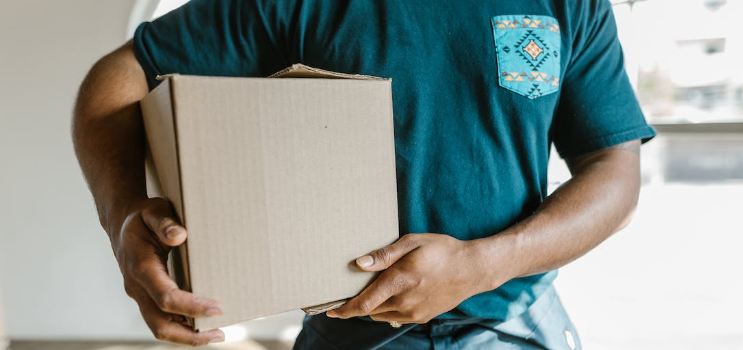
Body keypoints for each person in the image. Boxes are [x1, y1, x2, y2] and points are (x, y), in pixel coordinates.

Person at [72, 0, 656, 348]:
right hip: (355, 331)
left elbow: (616, 170)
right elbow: (118, 78)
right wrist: (121, 215)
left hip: (522, 324)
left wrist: (485, 265)